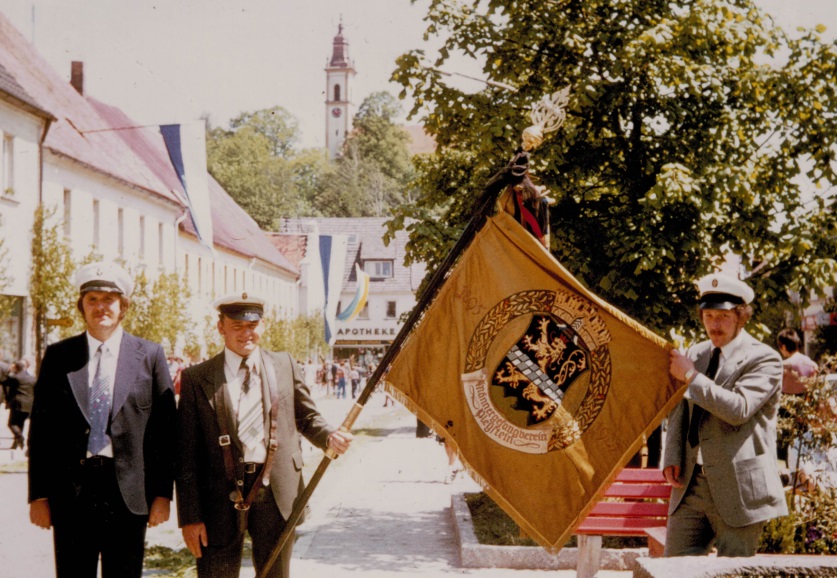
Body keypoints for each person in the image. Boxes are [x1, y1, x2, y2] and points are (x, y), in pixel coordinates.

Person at [175, 292, 353, 578]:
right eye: (237, 326)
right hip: (217, 498)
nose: (246, 333)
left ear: (263, 325)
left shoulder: (285, 365)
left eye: (253, 325)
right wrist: (190, 517)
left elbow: (307, 417)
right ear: (221, 327)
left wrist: (329, 436)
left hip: (276, 492)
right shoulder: (197, 377)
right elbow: (186, 454)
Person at [27, 262, 176, 578]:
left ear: (123, 306)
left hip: (128, 494)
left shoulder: (150, 356)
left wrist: (163, 494)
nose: (100, 307)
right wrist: (38, 495)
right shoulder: (59, 356)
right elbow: (41, 431)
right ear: (81, 306)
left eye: (109, 299)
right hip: (72, 493)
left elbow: (165, 433)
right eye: (92, 299)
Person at [663, 272, 787, 557]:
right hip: (691, 485)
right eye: (708, 316)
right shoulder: (696, 353)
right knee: (673, 568)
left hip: (739, 489)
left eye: (723, 317)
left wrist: (691, 376)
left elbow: (738, 409)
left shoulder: (764, 358)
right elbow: (680, 406)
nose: (714, 325)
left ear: (741, 317)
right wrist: (672, 454)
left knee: (734, 573)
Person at [775, 328, 819, 462]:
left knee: (784, 447)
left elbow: (776, 390)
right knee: (802, 444)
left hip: (786, 409)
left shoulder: (785, 365)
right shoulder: (812, 365)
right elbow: (812, 391)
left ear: (783, 346)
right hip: (804, 408)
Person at [6, 358, 35, 450]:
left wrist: (10, 371)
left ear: (17, 368)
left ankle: (20, 437)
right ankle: (16, 444)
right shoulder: (32, 378)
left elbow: (6, 383)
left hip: (18, 403)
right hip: (29, 404)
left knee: (12, 424)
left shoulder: (15, 378)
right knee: (20, 423)